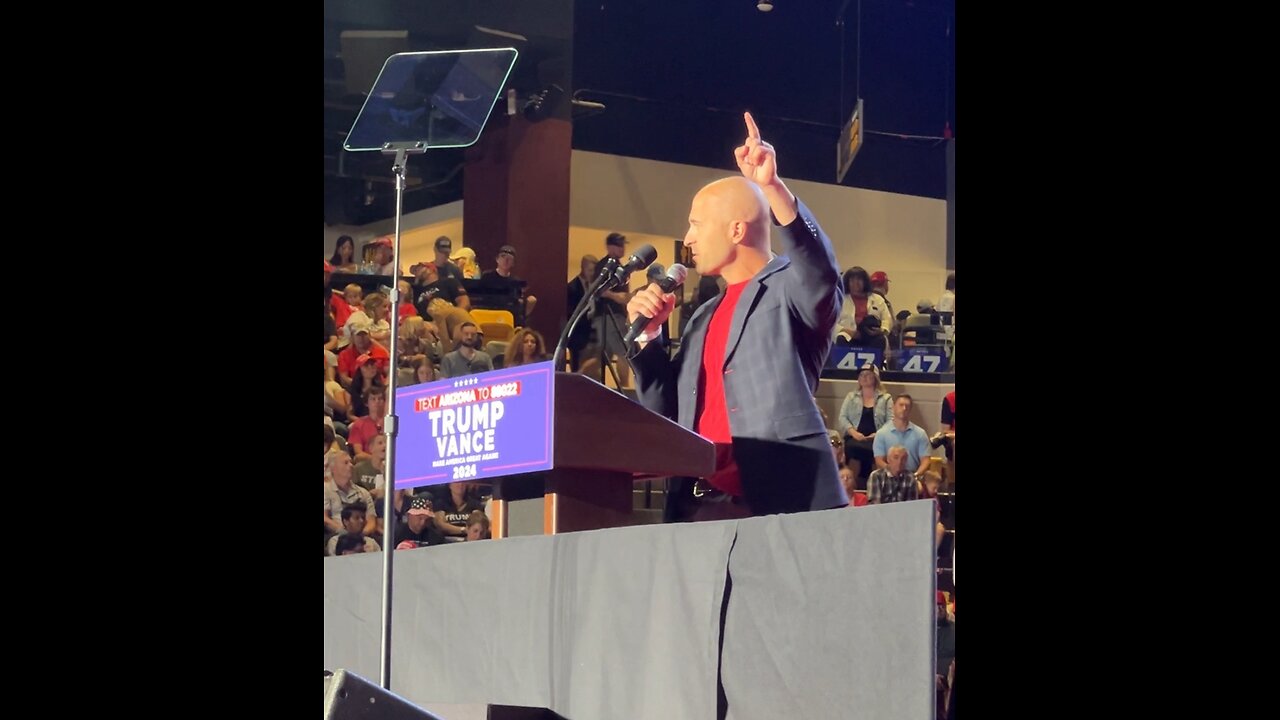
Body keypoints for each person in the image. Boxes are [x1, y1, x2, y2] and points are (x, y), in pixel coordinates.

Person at [626, 112, 847, 519]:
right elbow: (666, 417)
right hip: (694, 505)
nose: (688, 237)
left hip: (775, 501)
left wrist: (773, 188)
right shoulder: (702, 316)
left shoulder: (791, 287)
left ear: (736, 230)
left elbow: (819, 269)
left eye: (696, 224)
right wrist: (649, 338)